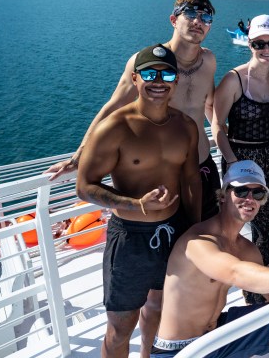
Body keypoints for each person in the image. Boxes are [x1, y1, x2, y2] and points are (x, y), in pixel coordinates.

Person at [47, 0, 221, 222]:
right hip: (167, 175)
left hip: (203, 166)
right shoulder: (148, 63)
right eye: (189, 14)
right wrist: (79, 155)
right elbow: (113, 106)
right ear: (173, 20)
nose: (198, 22)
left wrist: (225, 140)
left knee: (207, 233)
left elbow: (209, 106)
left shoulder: (208, 61)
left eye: (205, 17)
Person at [75, 44, 202, 358]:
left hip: (174, 231)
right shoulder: (114, 128)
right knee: (120, 327)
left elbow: (191, 180)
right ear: (135, 78)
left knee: (158, 309)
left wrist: (196, 230)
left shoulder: (185, 126)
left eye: (167, 73)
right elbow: (84, 187)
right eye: (149, 73)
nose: (158, 80)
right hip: (131, 237)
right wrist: (137, 204)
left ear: (176, 81)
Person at [152, 160, 269, 358]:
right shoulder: (198, 241)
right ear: (224, 195)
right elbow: (234, 272)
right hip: (178, 350)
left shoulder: (246, 249)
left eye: (257, 193)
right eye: (241, 191)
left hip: (215, 333)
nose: (249, 199)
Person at [212, 14, 269, 272]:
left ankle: (258, 276)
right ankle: (254, 281)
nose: (266, 49)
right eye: (259, 43)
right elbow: (217, 126)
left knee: (264, 220)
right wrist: (232, 162)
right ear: (249, 44)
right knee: (260, 223)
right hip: (241, 160)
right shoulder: (235, 80)